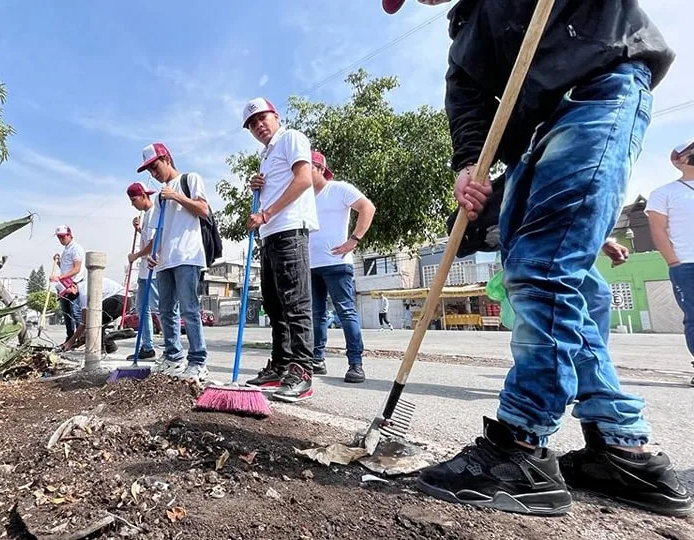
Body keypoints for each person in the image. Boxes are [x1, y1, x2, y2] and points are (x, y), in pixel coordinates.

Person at [383, 0, 690, 518]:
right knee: (566, 280)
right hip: (535, 133)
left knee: (544, 269)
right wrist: (468, 164)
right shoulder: (467, 29)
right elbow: (468, 98)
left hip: (599, 88)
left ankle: (519, 451)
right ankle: (621, 448)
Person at [241, 97, 319, 403]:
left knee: (295, 304)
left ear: (276, 116)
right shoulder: (266, 155)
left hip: (289, 228)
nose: (259, 126)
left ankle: (303, 371)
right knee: (274, 306)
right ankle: (281, 364)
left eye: (262, 118)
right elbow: (282, 179)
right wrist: (259, 185)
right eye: (252, 124)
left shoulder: (291, 138)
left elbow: (303, 180)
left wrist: (266, 212)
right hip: (270, 235)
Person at [134, 143, 209, 381]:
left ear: (166, 159)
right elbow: (159, 230)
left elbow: (203, 210)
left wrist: (176, 195)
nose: (153, 174)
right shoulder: (158, 200)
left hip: (187, 255)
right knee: (165, 311)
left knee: (189, 309)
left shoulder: (190, 179)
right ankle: (172, 356)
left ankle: (197, 360)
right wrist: (152, 253)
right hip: (165, 261)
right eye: (149, 170)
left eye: (155, 167)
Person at [300, 150, 375, 383]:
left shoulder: (339, 189)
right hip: (311, 265)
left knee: (346, 312)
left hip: (336, 264)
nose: (302, 172)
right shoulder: (303, 196)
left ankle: (355, 364)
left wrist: (354, 239)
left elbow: (367, 208)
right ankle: (317, 359)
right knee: (317, 314)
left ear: (320, 168)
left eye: (307, 167)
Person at [646, 139, 694, 386]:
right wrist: (674, 262)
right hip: (687, 265)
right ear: (679, 160)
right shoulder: (663, 193)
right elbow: (659, 232)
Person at [125, 181, 161, 361]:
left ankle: (173, 350)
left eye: (134, 200)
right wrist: (139, 230)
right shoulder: (147, 215)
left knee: (162, 308)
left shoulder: (155, 212)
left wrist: (136, 255)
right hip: (144, 273)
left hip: (154, 270)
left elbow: (155, 243)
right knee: (142, 309)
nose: (133, 204)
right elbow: (147, 238)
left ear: (144, 196)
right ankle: (147, 347)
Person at [58, 276, 125, 354]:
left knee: (93, 319)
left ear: (73, 286)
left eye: (67, 294)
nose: (67, 297)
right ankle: (110, 346)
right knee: (99, 323)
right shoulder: (83, 287)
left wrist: (71, 342)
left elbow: (84, 322)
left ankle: (99, 349)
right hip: (121, 301)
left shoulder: (84, 291)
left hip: (120, 299)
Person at [51, 225, 86, 341]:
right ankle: (70, 337)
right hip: (64, 286)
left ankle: (80, 338)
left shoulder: (76, 248)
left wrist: (59, 277)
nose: (61, 239)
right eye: (59, 237)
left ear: (69, 235)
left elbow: (76, 269)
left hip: (74, 285)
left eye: (62, 237)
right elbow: (66, 268)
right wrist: (59, 263)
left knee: (75, 313)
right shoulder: (66, 250)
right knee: (66, 314)